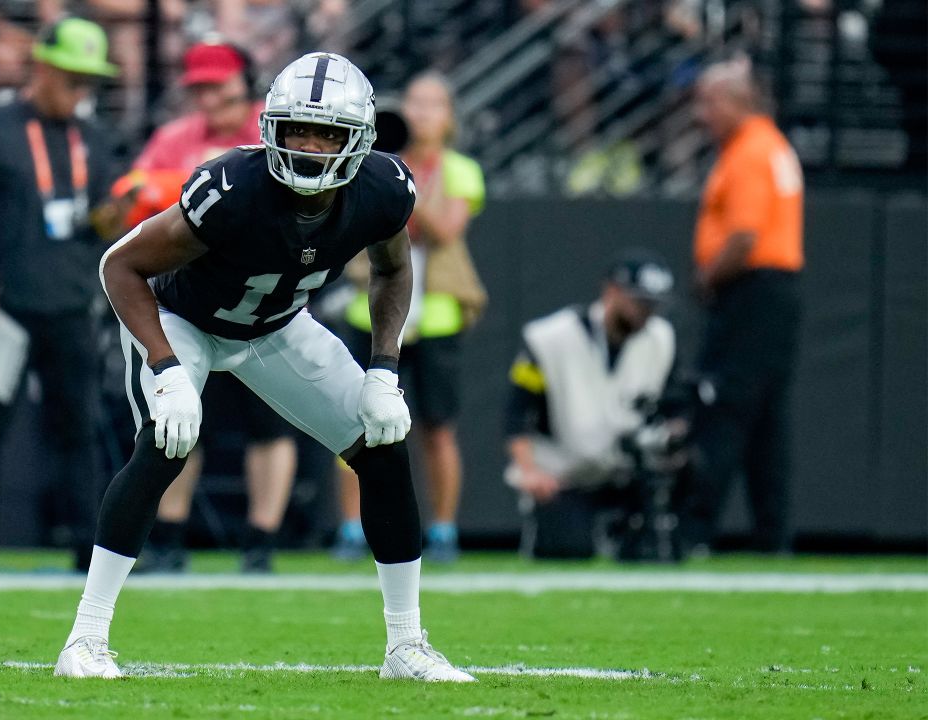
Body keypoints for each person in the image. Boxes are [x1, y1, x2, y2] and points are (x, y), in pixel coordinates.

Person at [54, 52, 475, 682]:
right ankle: (84, 639)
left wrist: (383, 368)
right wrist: (166, 367)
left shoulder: (384, 188)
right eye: (297, 129)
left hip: (275, 328)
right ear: (269, 127)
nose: (308, 146)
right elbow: (120, 264)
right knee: (167, 442)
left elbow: (392, 265)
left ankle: (406, 645)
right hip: (184, 322)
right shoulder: (234, 188)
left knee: (383, 444)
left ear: (357, 138)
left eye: (327, 132)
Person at [113, 40, 299, 574]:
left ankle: (262, 540)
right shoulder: (176, 137)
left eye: (218, 84)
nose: (208, 96)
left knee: (270, 421)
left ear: (247, 84)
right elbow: (132, 193)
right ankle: (169, 533)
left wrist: (177, 186)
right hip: (194, 295)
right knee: (180, 413)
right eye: (199, 87)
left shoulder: (279, 128)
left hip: (271, 291)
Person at [0, 17, 118, 574]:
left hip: (69, 301)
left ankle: (86, 552)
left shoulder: (91, 137)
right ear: (43, 67)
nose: (81, 91)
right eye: (73, 78)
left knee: (78, 430)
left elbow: (97, 220)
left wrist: (118, 214)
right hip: (4, 303)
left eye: (89, 82)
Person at [334, 71, 486, 564]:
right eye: (413, 103)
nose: (421, 114)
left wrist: (407, 179)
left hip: (437, 313)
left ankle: (442, 527)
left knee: (437, 426)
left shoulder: (459, 170)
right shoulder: (373, 162)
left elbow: (445, 229)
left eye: (433, 105)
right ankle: (352, 527)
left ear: (449, 117)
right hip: (372, 312)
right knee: (352, 422)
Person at [680, 60, 803, 555]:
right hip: (775, 293)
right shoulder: (770, 144)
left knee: (725, 407)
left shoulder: (750, 151)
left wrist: (708, 278)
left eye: (709, 101)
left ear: (736, 101)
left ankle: (695, 529)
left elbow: (744, 236)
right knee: (768, 418)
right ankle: (772, 533)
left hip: (751, 291)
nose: (700, 113)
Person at [504, 252, 678, 559]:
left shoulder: (661, 339)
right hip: (566, 476)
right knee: (567, 549)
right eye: (639, 301)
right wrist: (529, 471)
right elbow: (517, 413)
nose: (646, 312)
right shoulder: (551, 338)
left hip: (629, 473)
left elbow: (673, 408)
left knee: (656, 547)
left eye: (653, 304)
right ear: (611, 291)